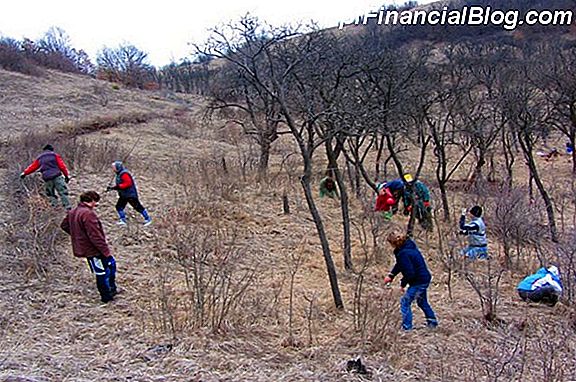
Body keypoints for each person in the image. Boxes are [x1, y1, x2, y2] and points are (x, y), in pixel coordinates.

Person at [61, 191, 117, 303]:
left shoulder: (73, 211)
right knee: (103, 272)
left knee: (107, 269)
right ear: (90, 201)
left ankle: (111, 291)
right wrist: (106, 252)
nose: (96, 205)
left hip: (87, 249)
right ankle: (107, 296)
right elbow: (95, 236)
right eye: (95, 201)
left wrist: (78, 236)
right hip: (94, 250)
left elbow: (64, 225)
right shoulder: (88, 214)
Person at [383, 229, 438, 331]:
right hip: (424, 278)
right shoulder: (409, 247)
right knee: (422, 302)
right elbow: (401, 264)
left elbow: (409, 273)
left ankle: (407, 328)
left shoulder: (404, 253)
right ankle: (432, 322)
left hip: (418, 281)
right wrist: (391, 275)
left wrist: (403, 284)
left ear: (394, 243)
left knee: (405, 302)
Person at [20, 144, 72, 210]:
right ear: (51, 149)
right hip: (57, 176)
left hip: (47, 178)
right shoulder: (55, 155)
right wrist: (66, 176)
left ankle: (54, 207)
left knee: (50, 194)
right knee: (63, 192)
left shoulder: (40, 158)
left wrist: (24, 173)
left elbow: (33, 167)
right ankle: (67, 207)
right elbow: (62, 167)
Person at [107, 161, 152, 226]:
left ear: (117, 167)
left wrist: (117, 187)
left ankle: (148, 219)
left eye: (113, 167)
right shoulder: (119, 174)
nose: (112, 169)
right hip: (124, 195)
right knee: (119, 207)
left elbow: (128, 183)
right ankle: (123, 220)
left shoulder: (124, 174)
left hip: (130, 194)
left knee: (138, 207)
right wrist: (112, 188)